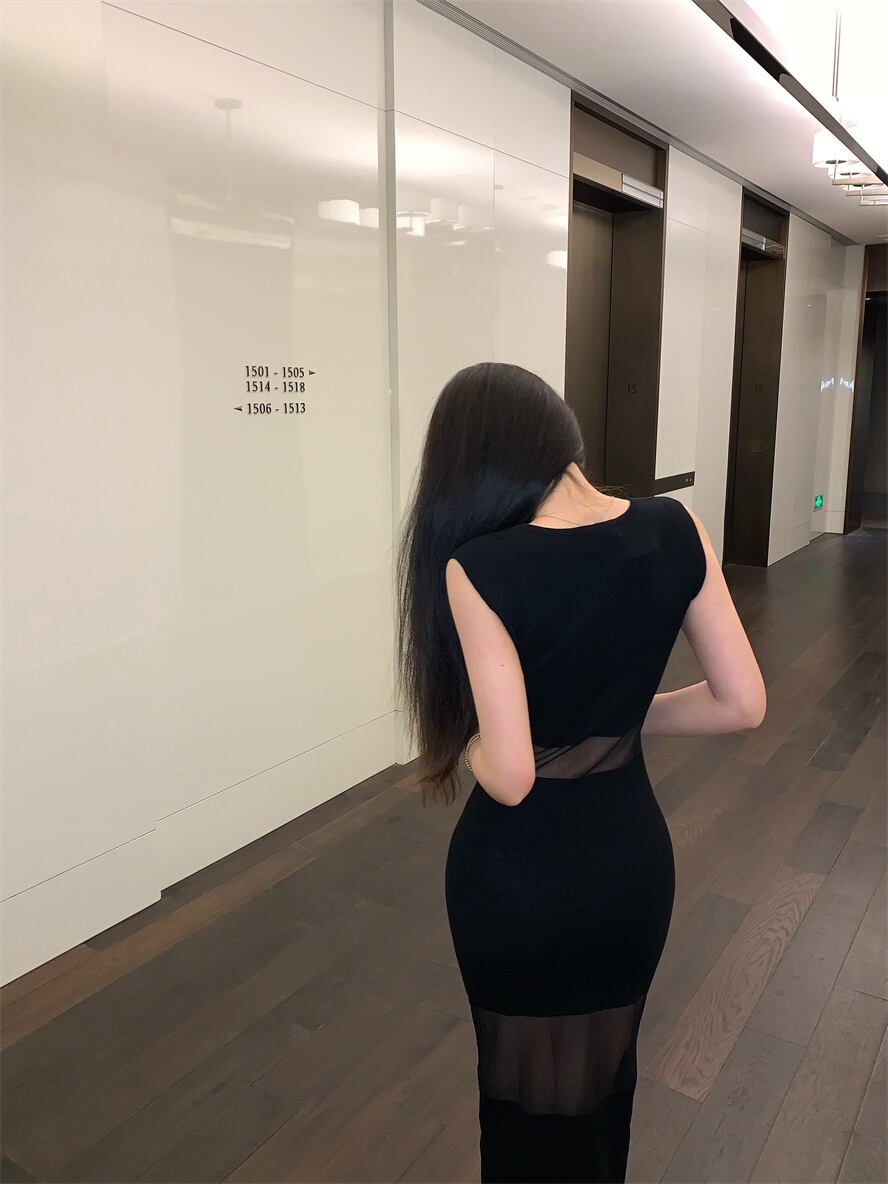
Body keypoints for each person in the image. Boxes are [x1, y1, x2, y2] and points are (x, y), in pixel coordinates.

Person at [395, 361, 766, 1183]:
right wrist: (622, 720)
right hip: (629, 865)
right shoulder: (676, 526)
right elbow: (742, 703)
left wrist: (471, 741)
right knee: (602, 1094)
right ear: (558, 434)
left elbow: (512, 774)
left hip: (518, 879)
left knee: (519, 1103)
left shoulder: (481, 567)